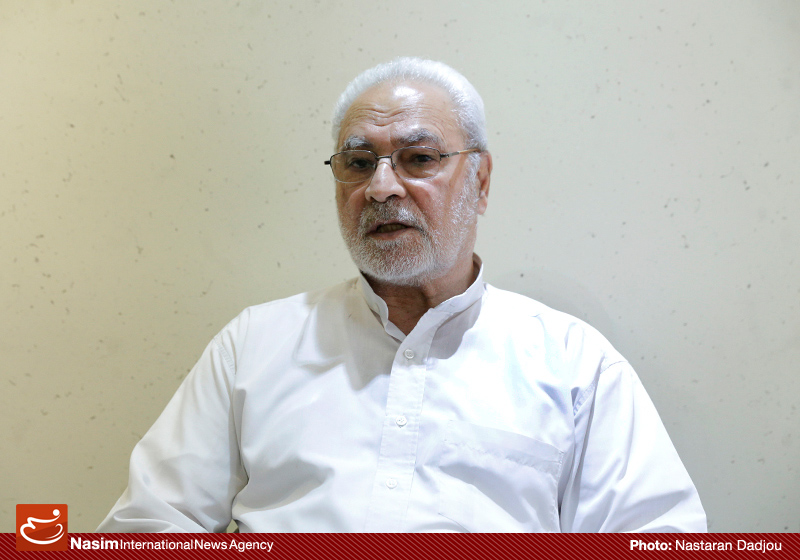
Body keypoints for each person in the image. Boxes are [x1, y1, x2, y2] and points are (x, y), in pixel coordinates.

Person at [97, 57, 706, 532]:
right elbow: (148, 529)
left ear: (480, 180)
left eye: (418, 158)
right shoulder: (253, 346)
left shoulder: (575, 364)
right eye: (359, 163)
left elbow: (656, 536)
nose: (382, 187)